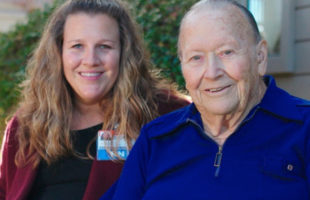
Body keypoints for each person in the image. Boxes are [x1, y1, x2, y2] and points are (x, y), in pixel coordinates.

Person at [102, 0, 310, 199]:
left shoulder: (303, 128)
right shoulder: (156, 139)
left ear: (260, 57)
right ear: (183, 67)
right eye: (196, 58)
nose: (211, 72)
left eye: (226, 52)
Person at [0, 0, 189, 199]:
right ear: (59, 52)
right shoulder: (26, 126)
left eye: (104, 46)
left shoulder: (167, 117)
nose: (90, 60)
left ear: (124, 52)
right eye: (77, 46)